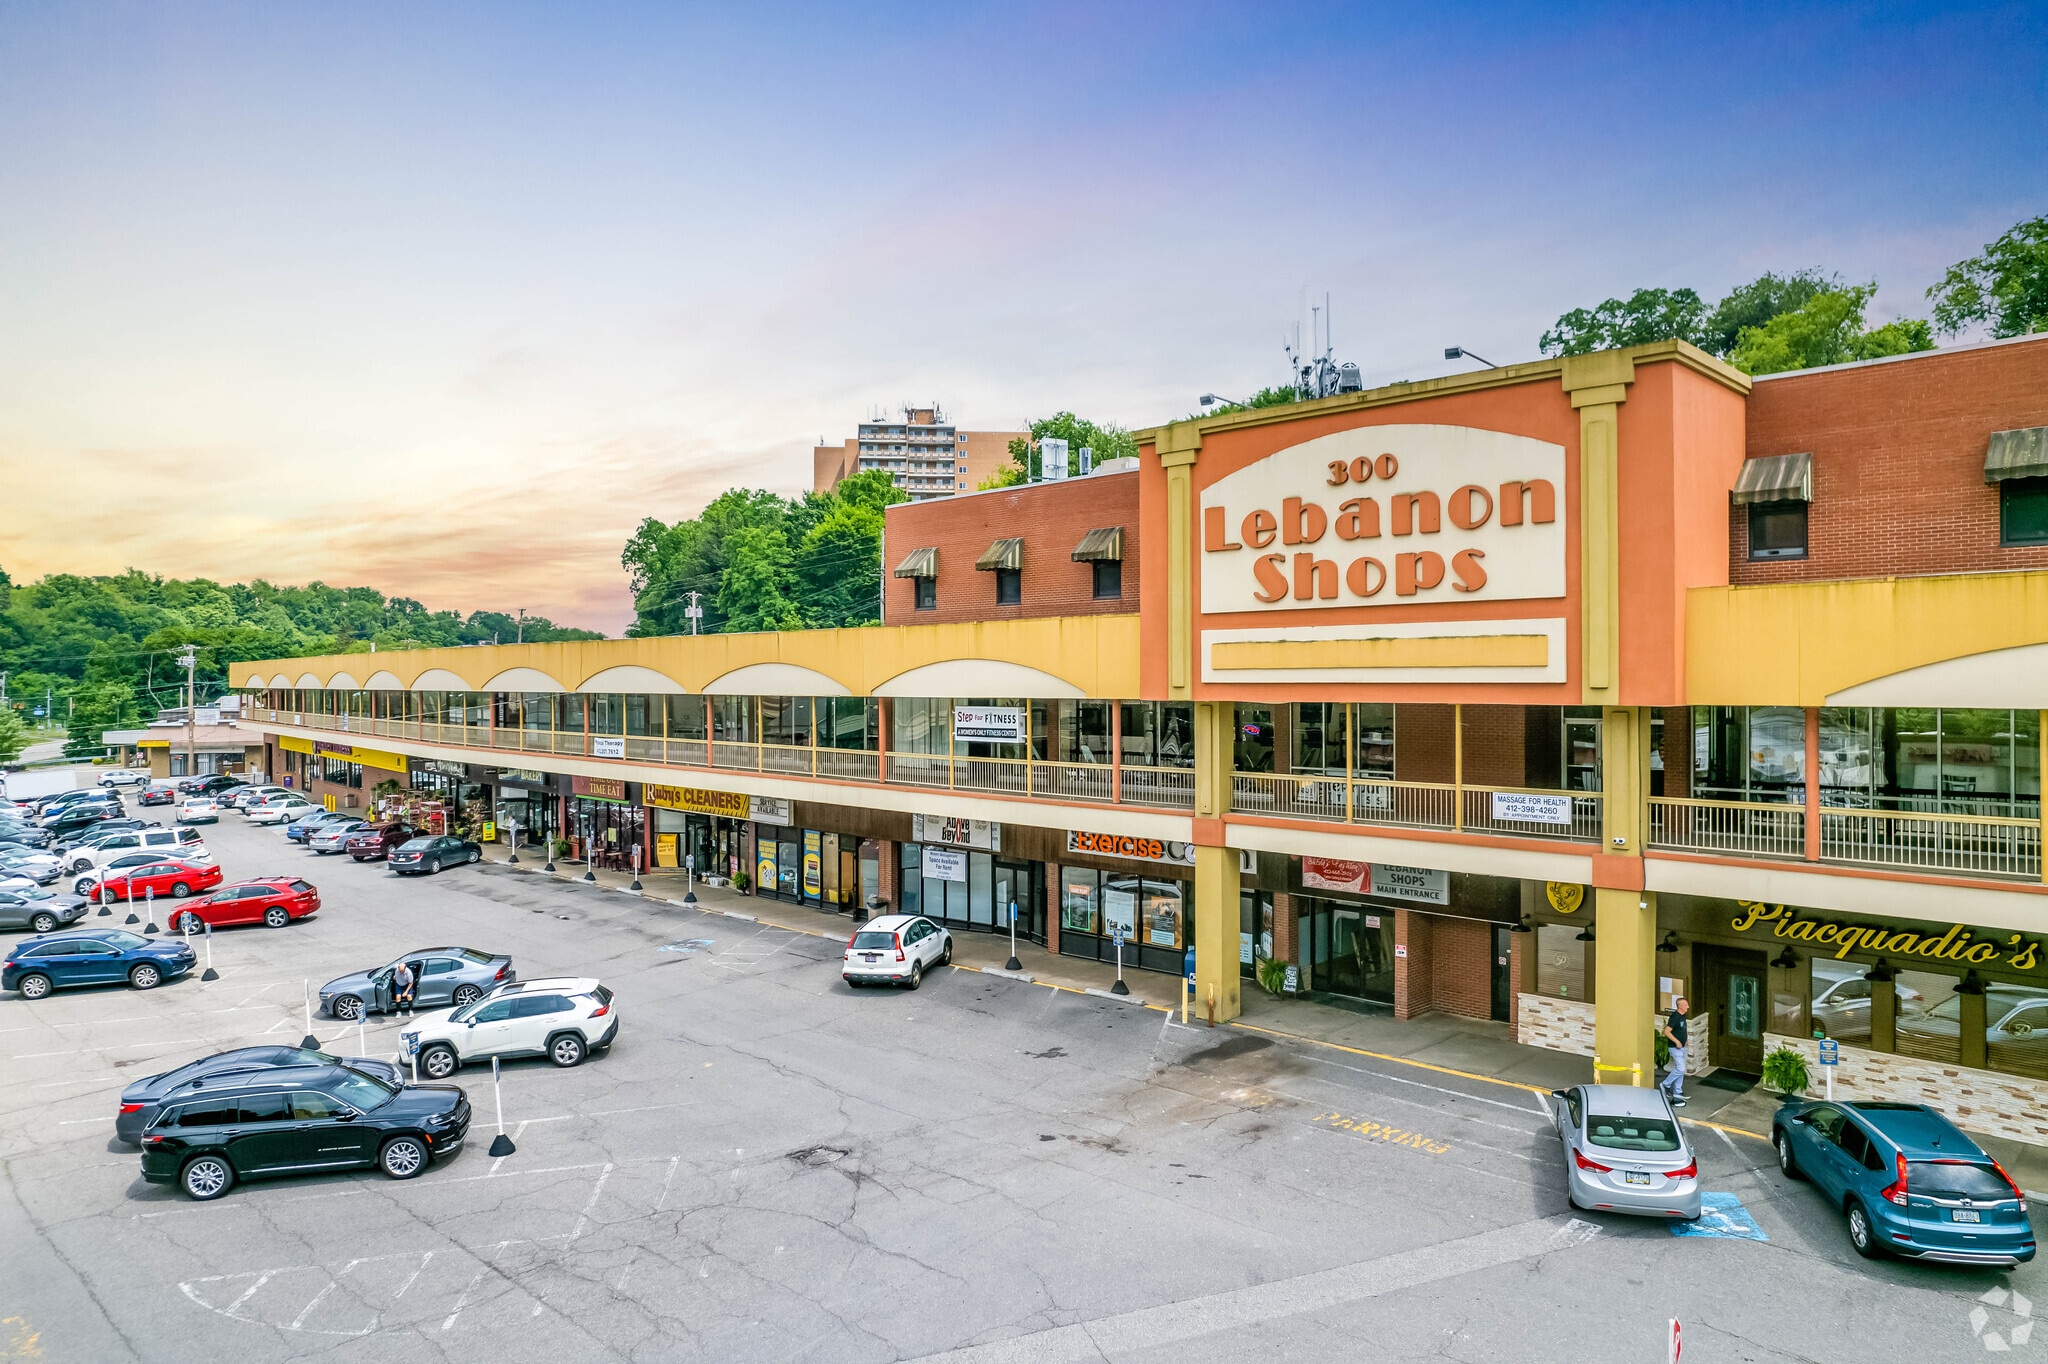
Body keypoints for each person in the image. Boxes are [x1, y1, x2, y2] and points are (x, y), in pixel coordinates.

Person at [1660, 996, 1691, 1107]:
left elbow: (1683, 1029)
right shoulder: (1675, 1017)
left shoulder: (1683, 1016)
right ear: (1680, 1006)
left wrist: (1685, 1040)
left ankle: (1678, 1091)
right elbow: (1667, 1031)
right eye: (1686, 1005)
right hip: (1675, 1047)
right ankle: (1665, 1084)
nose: (1688, 1006)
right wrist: (1677, 1041)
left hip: (1683, 1047)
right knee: (1680, 1068)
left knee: (1681, 1069)